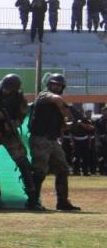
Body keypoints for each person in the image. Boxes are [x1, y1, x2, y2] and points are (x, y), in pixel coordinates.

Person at [0, 75, 41, 210]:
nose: (5, 91)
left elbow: (21, 116)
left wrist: (13, 124)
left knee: (23, 163)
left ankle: (33, 199)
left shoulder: (20, 98)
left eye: (9, 89)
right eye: (4, 88)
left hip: (10, 134)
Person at [27, 74, 80, 211]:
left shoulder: (57, 106)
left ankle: (62, 202)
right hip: (39, 138)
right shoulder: (44, 95)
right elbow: (56, 99)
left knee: (63, 169)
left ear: (62, 87)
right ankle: (33, 201)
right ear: (48, 85)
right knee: (39, 171)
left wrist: (68, 124)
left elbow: (64, 126)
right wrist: (68, 112)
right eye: (53, 84)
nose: (55, 87)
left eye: (58, 85)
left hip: (52, 140)